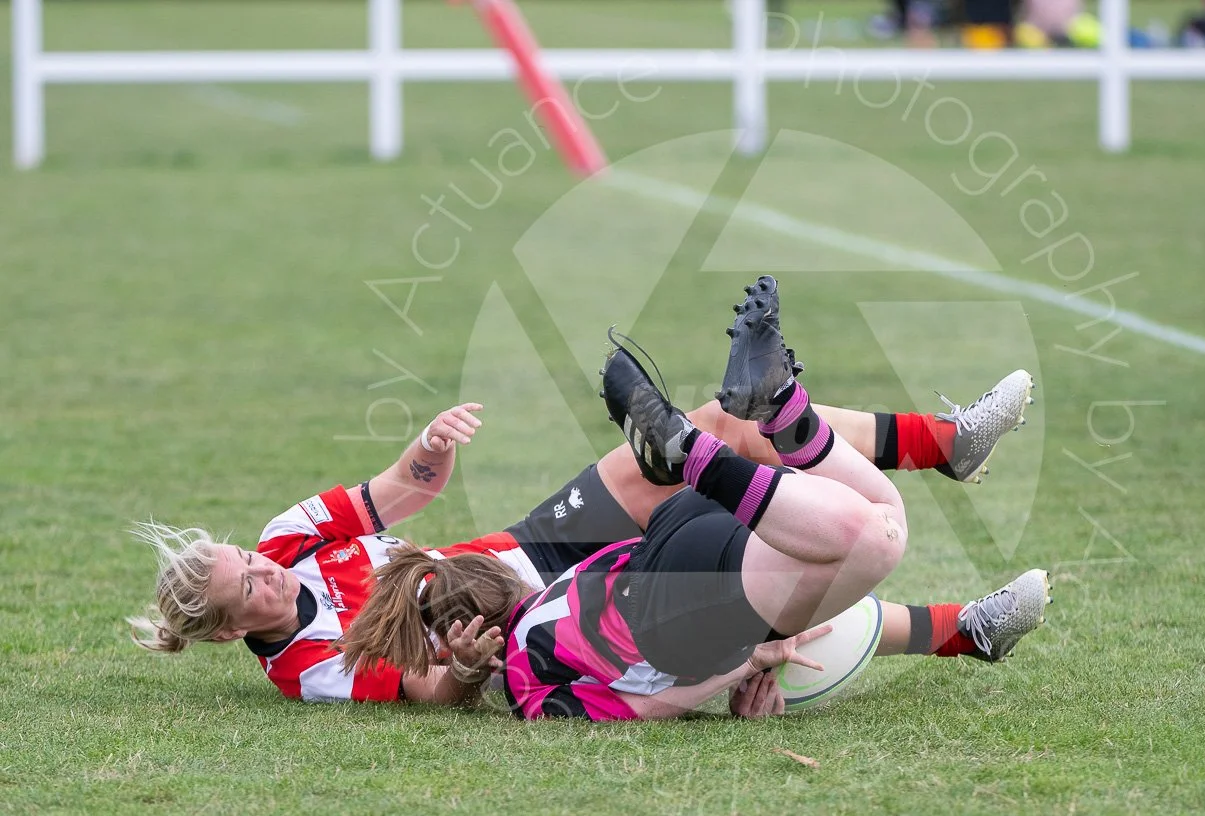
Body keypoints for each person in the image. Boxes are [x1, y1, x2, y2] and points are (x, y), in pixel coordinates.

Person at [129, 275, 1042, 705]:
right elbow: (426, 691)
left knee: (719, 426)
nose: (263, 572)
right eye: (243, 589)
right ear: (228, 632)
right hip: (537, 625)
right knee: (773, 595)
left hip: (524, 551)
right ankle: (968, 630)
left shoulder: (288, 539)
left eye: (247, 559)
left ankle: (944, 446)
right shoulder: (306, 671)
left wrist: (425, 454)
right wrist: (468, 673)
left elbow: (393, 497)